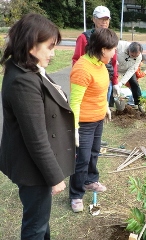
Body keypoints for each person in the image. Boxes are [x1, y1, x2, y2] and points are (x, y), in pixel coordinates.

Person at [0, 13, 75, 239]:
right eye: (50, 47)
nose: (53, 53)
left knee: (40, 222)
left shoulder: (28, 69)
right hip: (33, 169)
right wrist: (54, 176)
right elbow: (36, 138)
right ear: (32, 45)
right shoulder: (23, 79)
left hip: (35, 165)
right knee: (35, 226)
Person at [69, 28, 119, 213]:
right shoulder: (82, 68)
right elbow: (74, 102)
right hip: (84, 123)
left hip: (98, 119)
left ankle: (90, 181)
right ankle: (76, 194)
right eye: (113, 49)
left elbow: (101, 90)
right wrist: (74, 129)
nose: (115, 53)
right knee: (81, 159)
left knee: (94, 152)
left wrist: (105, 107)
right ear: (103, 49)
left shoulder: (100, 64)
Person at [72, 5, 120, 107]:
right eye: (101, 19)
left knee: (103, 110)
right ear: (94, 19)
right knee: (89, 108)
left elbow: (114, 61)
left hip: (107, 79)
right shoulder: (84, 37)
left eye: (106, 19)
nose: (104, 22)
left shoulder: (111, 37)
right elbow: (77, 60)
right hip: (90, 82)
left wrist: (115, 82)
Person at [115, 41, 144, 111]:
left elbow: (131, 70)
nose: (134, 57)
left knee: (134, 83)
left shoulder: (139, 57)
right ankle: (110, 104)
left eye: (136, 56)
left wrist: (121, 83)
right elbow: (109, 50)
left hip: (127, 69)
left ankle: (139, 104)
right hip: (114, 66)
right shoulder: (120, 45)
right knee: (109, 85)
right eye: (132, 55)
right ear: (129, 50)